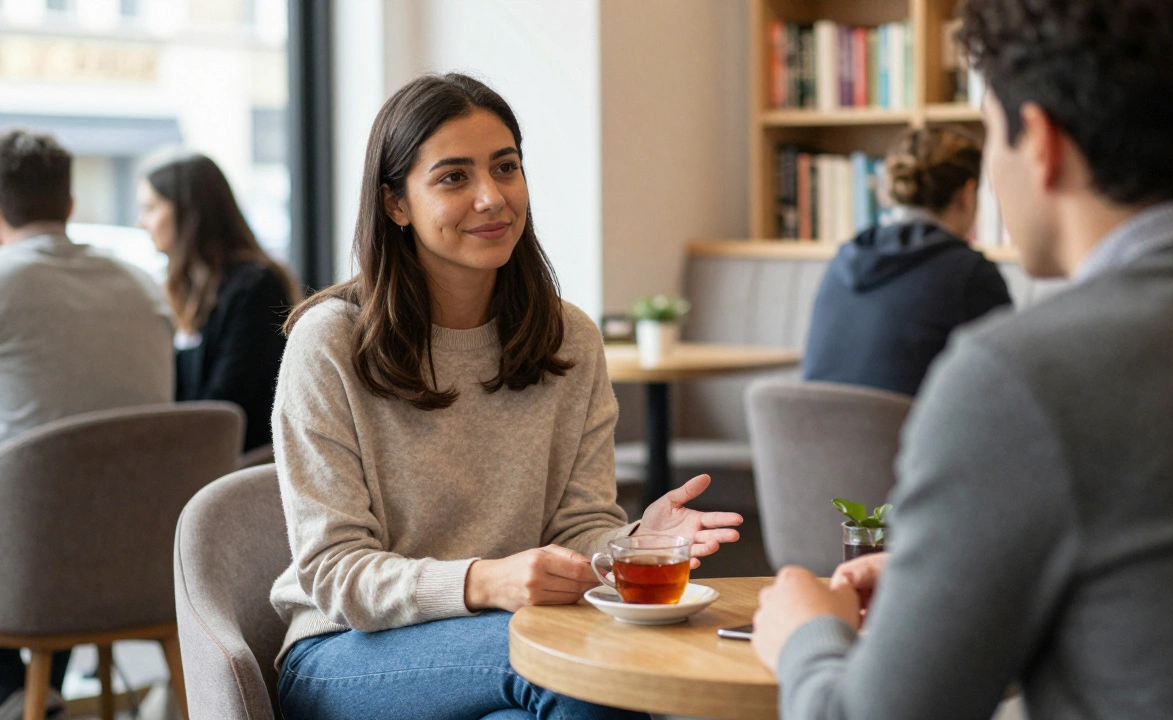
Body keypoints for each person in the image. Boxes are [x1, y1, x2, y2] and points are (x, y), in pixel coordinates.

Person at [752, 0, 1173, 718]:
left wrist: (804, 636)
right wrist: (945, 573)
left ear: (1038, 141)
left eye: (990, 133)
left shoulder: (1019, 379)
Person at [269, 73, 743, 719]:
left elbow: (575, 532)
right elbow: (333, 573)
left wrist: (631, 544)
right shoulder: (329, 344)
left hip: (509, 648)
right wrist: (483, 581)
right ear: (395, 204)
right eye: (453, 177)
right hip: (346, 652)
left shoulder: (567, 337)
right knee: (584, 672)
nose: (492, 198)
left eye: (506, 167)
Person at [0, 129, 173, 719]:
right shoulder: (142, 284)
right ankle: (32, 694)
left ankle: (17, 695)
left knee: (37, 508)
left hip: (35, 574)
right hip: (147, 562)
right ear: (69, 206)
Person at [802, 126, 1011, 396]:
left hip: (812, 436)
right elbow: (1011, 383)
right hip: (909, 438)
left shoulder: (843, 260)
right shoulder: (970, 275)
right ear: (967, 194)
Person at [137, 152, 300, 452]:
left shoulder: (256, 286)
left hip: (236, 465)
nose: (141, 222)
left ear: (187, 211)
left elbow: (225, 405)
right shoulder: (183, 288)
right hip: (198, 452)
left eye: (150, 208)